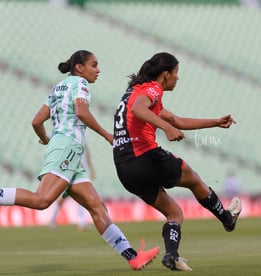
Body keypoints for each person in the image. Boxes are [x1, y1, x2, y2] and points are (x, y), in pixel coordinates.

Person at [0, 50, 159, 270]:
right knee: (42, 200)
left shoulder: (57, 88)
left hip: (65, 148)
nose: (98, 70)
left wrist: (46, 139)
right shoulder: (80, 84)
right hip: (68, 147)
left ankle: (133, 257)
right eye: (94, 65)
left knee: (97, 206)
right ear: (79, 68)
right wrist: (106, 135)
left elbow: (37, 121)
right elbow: (82, 112)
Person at [113, 52, 242, 271]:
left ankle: (171, 256)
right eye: (176, 73)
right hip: (144, 155)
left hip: (124, 168)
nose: (177, 78)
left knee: (174, 214)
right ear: (165, 74)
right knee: (192, 178)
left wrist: (214, 122)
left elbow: (176, 120)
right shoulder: (153, 89)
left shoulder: (133, 92)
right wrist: (167, 129)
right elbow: (140, 110)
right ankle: (226, 218)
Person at [49, 142, 94, 231]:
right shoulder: (74, 135)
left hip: (80, 171)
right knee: (63, 197)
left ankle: (82, 223)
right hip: (72, 170)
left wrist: (90, 168)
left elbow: (87, 152)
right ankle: (52, 219)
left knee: (82, 196)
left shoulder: (83, 136)